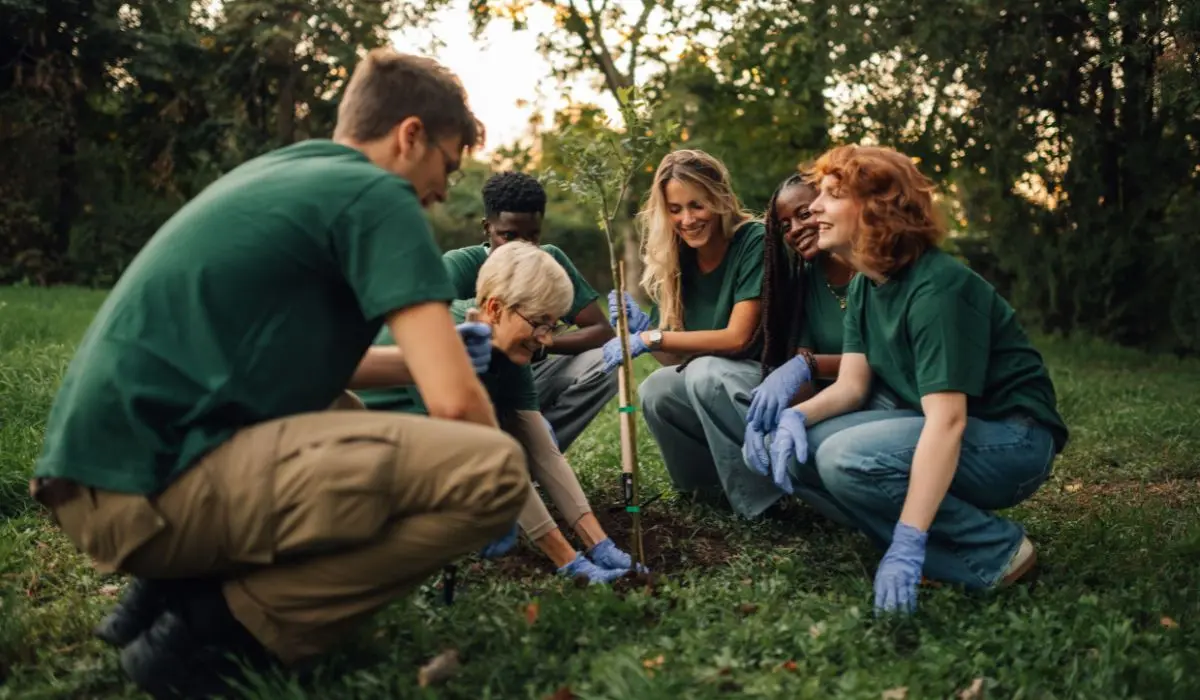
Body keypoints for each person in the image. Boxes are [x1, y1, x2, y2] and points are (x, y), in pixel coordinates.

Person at [27, 49, 531, 698]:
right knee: (491, 471)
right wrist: (500, 487)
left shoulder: (287, 171)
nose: (442, 191)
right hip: (145, 494)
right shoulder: (379, 194)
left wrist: (421, 355)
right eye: (448, 165)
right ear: (411, 135)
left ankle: (175, 586)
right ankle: (216, 632)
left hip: (97, 479)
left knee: (343, 410)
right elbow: (457, 409)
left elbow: (304, 362)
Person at [746, 145, 1069, 614]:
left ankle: (993, 550)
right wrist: (793, 416)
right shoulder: (865, 283)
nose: (814, 206)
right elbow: (853, 387)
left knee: (844, 457)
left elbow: (948, 422)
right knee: (798, 448)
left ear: (876, 207)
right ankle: (937, 551)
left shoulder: (936, 287)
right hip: (944, 426)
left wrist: (908, 540)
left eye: (832, 195)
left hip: (1013, 441)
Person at [357, 242, 642, 583]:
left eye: (554, 326)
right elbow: (488, 458)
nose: (548, 341)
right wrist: (570, 563)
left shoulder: (508, 346)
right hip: (375, 457)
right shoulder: (443, 336)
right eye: (540, 324)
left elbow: (543, 452)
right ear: (495, 308)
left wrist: (600, 545)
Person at [602, 149, 779, 519]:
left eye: (697, 205)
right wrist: (644, 329)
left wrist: (652, 339)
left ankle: (761, 503)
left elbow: (737, 339)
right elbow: (674, 356)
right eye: (675, 209)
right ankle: (707, 496)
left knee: (705, 373)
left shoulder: (754, 241)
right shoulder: (678, 256)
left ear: (720, 199)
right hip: (714, 380)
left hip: (767, 382)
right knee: (657, 389)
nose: (687, 219)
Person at [742, 172, 899, 494]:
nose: (795, 230)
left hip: (895, 397)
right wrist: (776, 418)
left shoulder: (881, 270)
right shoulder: (807, 282)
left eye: (803, 214)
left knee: (825, 446)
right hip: (840, 397)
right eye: (785, 226)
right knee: (785, 444)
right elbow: (803, 366)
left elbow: (887, 358)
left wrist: (811, 365)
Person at [441, 171, 618, 452]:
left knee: (607, 363)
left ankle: (532, 454)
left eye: (532, 237)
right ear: (487, 228)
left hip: (530, 374)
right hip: (479, 381)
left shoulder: (550, 261)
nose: (522, 248)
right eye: (508, 236)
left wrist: (535, 341)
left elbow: (601, 331)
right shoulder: (458, 266)